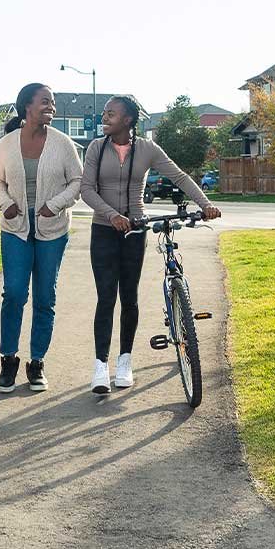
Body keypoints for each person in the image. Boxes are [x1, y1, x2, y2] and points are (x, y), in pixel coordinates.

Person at [80, 95, 221, 395]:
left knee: (129, 297)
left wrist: (206, 204)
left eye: (111, 113)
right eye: (105, 113)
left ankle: (125, 361)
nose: (104, 117)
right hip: (103, 230)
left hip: (135, 229)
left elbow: (179, 176)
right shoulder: (96, 148)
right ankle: (100, 366)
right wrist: (111, 215)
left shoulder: (147, 149)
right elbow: (87, 190)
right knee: (106, 297)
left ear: (128, 119)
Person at [0, 83, 84, 393]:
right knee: (14, 294)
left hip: (52, 229)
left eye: (52, 102)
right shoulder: (7, 143)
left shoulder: (63, 143)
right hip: (15, 228)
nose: (51, 107)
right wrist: (5, 203)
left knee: (45, 297)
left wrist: (54, 205)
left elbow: (77, 181)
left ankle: (37, 363)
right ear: (27, 106)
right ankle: (8, 359)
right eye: (45, 102)